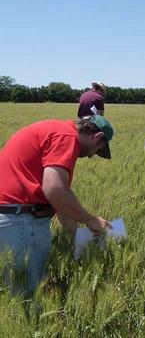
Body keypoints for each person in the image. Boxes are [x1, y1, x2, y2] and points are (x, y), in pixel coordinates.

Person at [0, 115, 114, 295]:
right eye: (98, 150)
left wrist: (77, 240)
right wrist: (91, 220)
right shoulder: (67, 136)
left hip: (10, 219)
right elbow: (55, 190)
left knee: (15, 295)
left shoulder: (53, 129)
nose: (92, 156)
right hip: (21, 220)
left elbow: (58, 202)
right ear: (98, 136)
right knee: (28, 300)